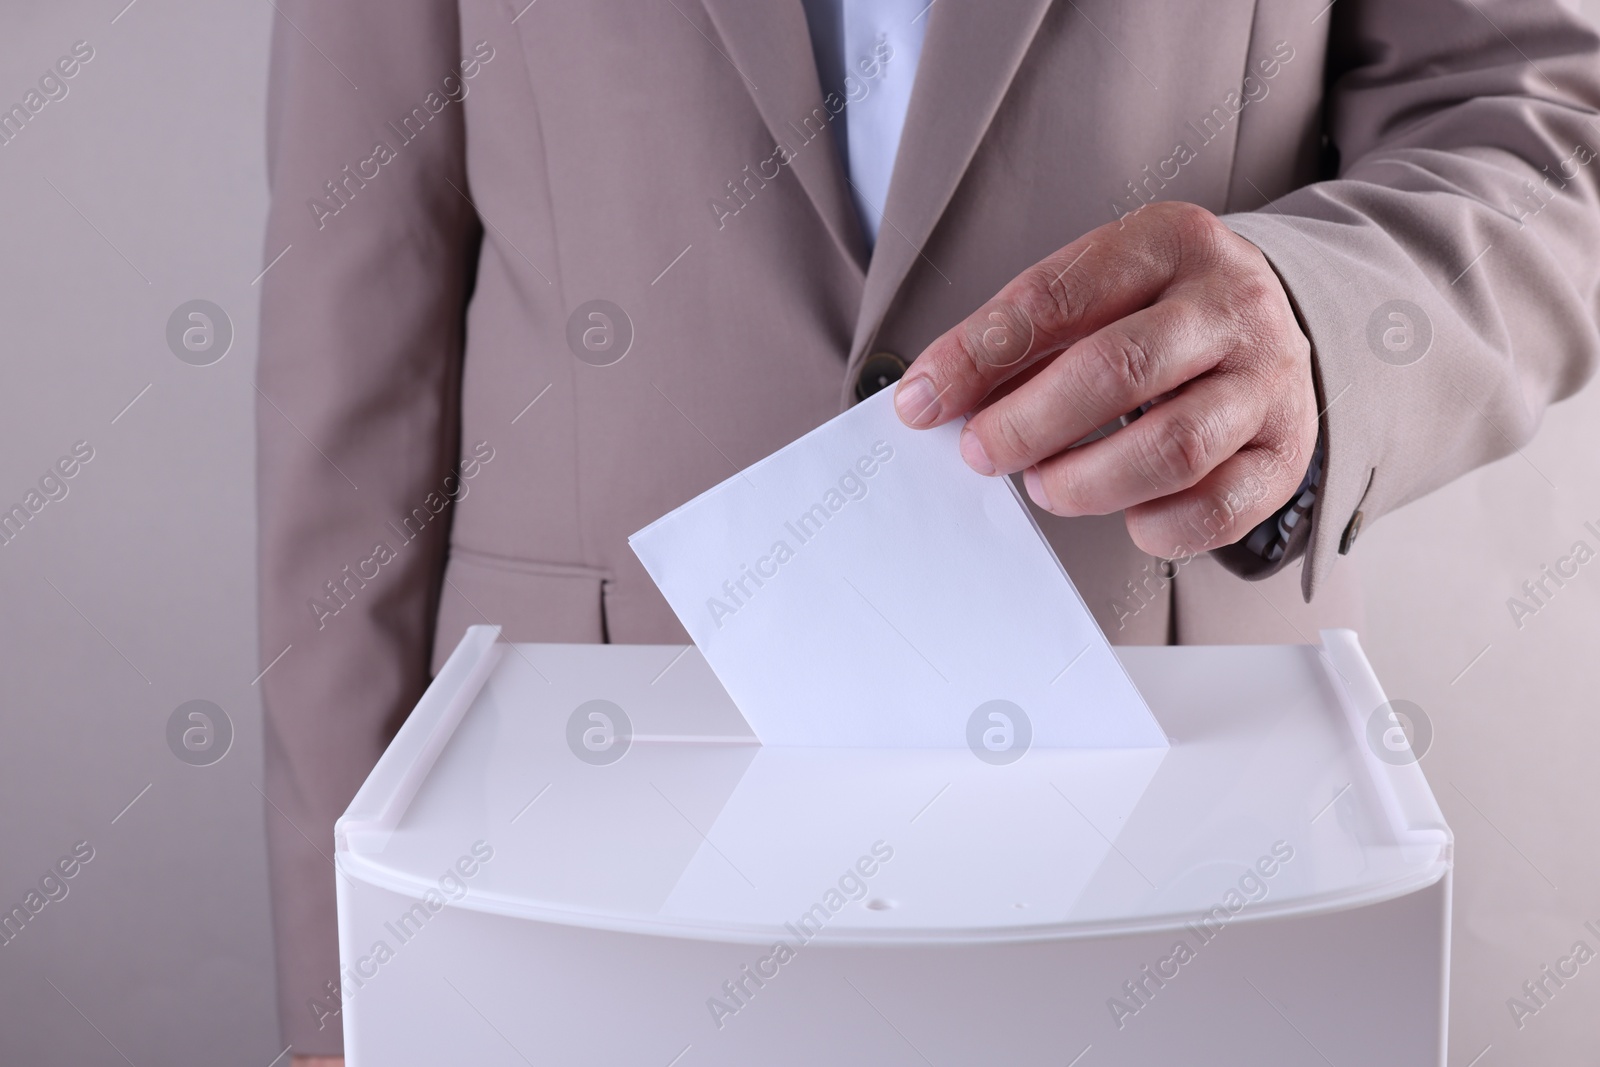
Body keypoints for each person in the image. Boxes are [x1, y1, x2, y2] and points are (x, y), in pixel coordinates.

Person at [256, 0, 1600, 1060]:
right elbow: (354, 316)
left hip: (1187, 821)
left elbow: (1542, 134)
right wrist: (341, 985)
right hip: (564, 841)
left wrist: (1314, 319)